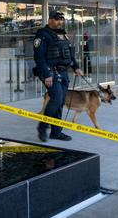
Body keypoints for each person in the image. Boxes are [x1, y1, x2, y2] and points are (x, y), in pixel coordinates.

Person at [33, 11, 83, 142]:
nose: (60, 22)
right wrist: (47, 74)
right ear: (49, 20)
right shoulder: (42, 34)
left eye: (61, 19)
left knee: (60, 102)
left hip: (64, 72)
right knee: (56, 99)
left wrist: (76, 67)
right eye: (56, 19)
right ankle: (42, 127)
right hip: (51, 72)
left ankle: (56, 132)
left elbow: (69, 54)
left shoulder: (63, 34)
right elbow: (39, 57)